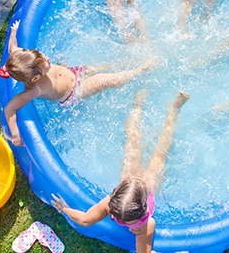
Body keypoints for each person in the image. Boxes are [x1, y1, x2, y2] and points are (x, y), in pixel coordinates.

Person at [51, 90, 190, 253]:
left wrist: (64, 208)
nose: (128, 226)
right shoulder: (116, 208)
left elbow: (85, 220)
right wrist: (64, 208)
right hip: (134, 184)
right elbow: (84, 220)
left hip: (140, 184)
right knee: (135, 139)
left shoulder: (144, 222)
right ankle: (137, 106)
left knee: (160, 149)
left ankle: (174, 109)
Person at [0, 20, 159, 146]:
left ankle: (130, 64)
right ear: (35, 79)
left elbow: (14, 48)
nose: (47, 58)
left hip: (74, 72)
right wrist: (16, 134)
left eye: (42, 55)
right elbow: (10, 108)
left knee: (104, 67)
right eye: (44, 63)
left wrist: (13, 32)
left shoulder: (22, 58)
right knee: (106, 80)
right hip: (75, 92)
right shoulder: (34, 90)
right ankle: (141, 70)